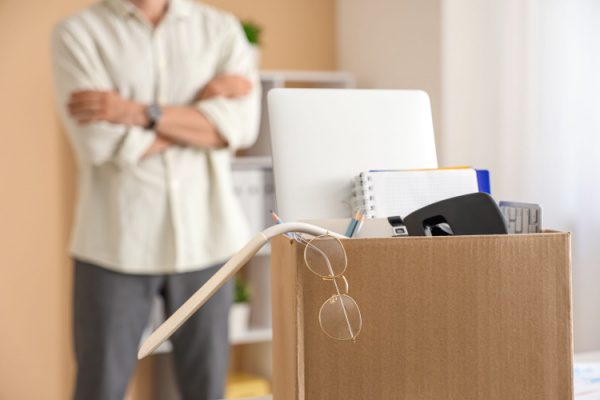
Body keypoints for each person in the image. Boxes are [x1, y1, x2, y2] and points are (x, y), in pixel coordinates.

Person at [50, 0, 260, 398]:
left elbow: (241, 128)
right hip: (113, 245)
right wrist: (201, 113)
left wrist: (135, 112)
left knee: (207, 391)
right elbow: (97, 142)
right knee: (100, 389)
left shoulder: (222, 30)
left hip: (207, 241)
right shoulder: (78, 33)